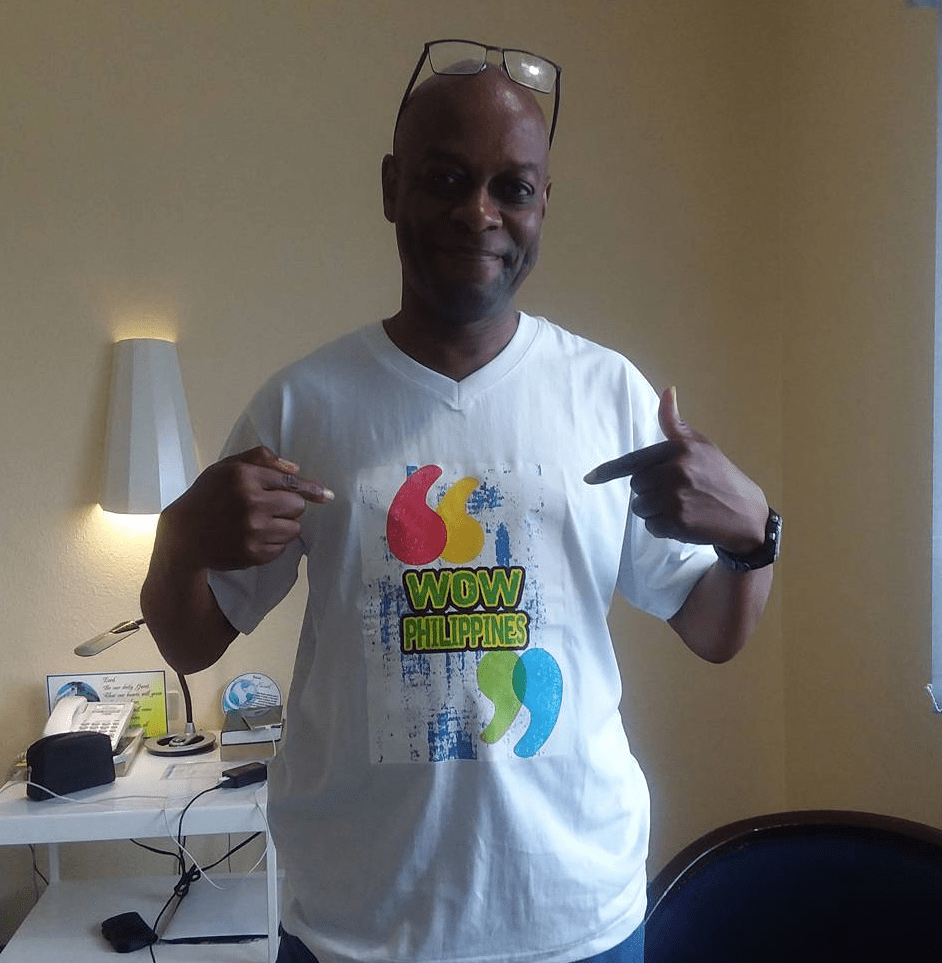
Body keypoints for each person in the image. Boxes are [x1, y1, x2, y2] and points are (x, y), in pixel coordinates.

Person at [141, 40, 777, 963]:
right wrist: (177, 536)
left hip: (575, 920)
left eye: (511, 188)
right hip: (356, 927)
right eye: (445, 178)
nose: (478, 212)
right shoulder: (303, 405)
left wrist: (755, 533)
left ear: (542, 204)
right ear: (391, 187)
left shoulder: (609, 395)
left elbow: (715, 628)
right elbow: (191, 642)